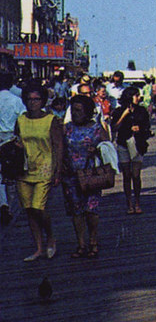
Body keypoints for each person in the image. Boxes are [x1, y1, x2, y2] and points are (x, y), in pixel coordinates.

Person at [14, 82, 62, 261]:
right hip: (24, 169)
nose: (33, 103)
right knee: (28, 209)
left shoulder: (51, 120)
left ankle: (50, 237)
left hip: (45, 167)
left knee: (39, 207)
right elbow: (17, 139)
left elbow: (58, 145)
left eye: (37, 99)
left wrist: (57, 170)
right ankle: (39, 247)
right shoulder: (21, 119)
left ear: (43, 101)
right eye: (29, 99)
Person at [60, 94, 109, 258]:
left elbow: (107, 146)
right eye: (73, 110)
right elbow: (59, 148)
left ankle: (93, 240)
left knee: (91, 210)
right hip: (70, 175)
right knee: (76, 211)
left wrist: (96, 150)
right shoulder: (66, 128)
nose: (75, 113)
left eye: (79, 110)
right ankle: (81, 243)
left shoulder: (96, 128)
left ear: (87, 112)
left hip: (90, 175)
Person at [114, 86, 152, 214]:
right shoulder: (119, 111)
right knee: (126, 175)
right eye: (136, 95)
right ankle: (129, 202)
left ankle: (137, 201)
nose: (139, 97)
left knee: (136, 175)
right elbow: (115, 127)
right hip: (123, 144)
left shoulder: (142, 111)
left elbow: (147, 126)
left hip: (137, 144)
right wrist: (124, 115)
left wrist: (140, 129)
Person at [0, 71, 26, 227]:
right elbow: (22, 119)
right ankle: (9, 206)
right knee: (11, 176)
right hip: (11, 140)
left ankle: (2, 204)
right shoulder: (16, 100)